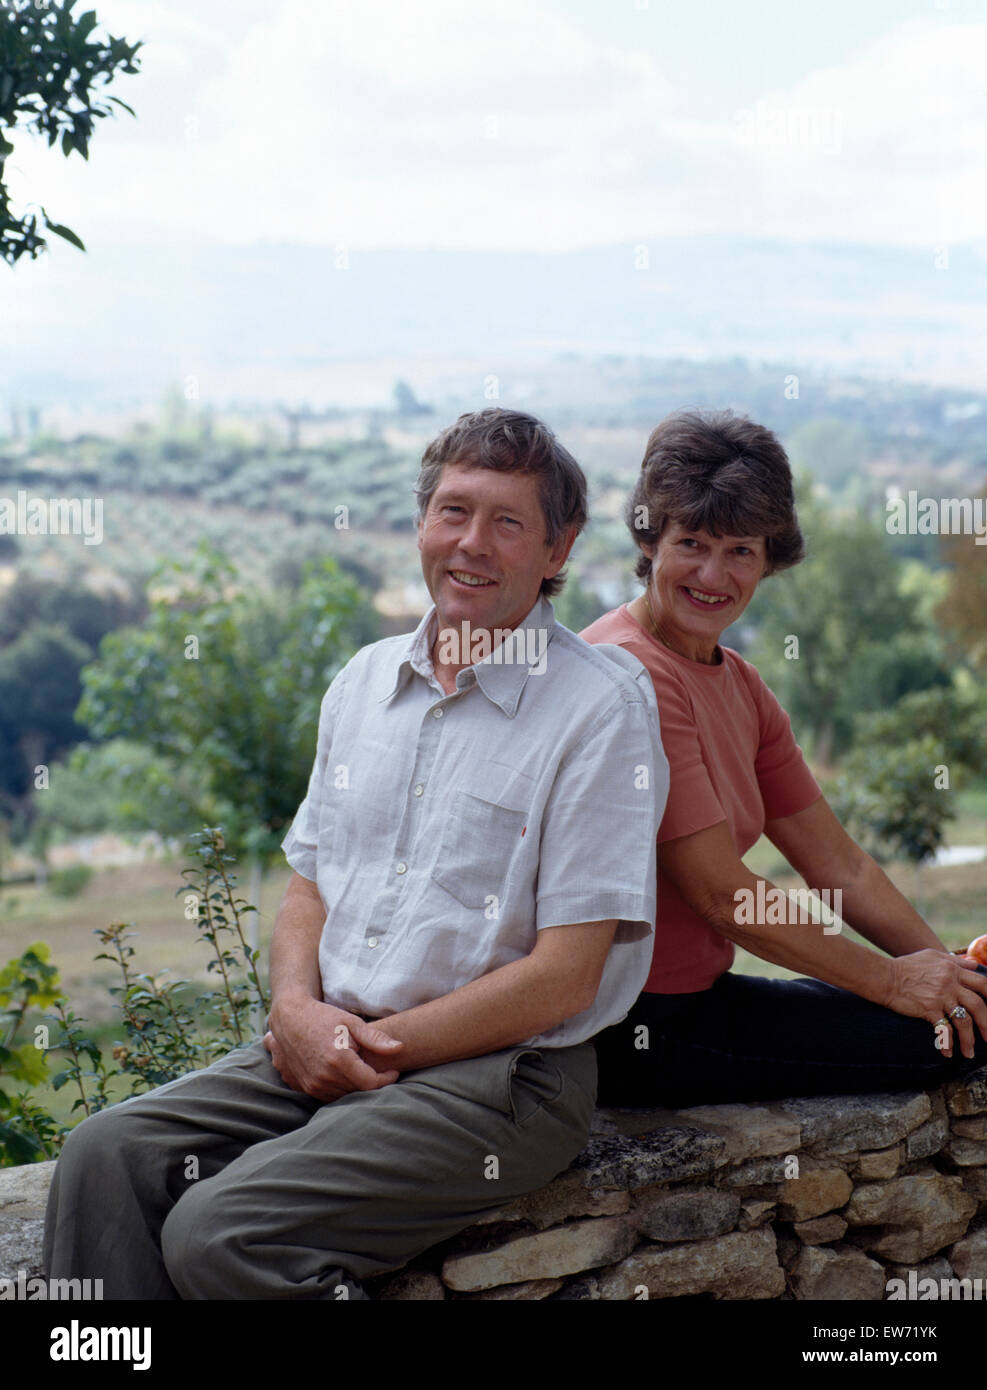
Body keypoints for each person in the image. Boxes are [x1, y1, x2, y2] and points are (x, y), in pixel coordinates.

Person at [44, 407, 667, 1299]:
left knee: (221, 1233)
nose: (471, 543)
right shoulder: (364, 683)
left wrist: (364, 1044)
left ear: (558, 549)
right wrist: (296, 1011)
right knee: (105, 1156)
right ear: (420, 523)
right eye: (453, 512)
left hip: (501, 1078)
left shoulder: (601, 708)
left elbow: (565, 978)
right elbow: (309, 888)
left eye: (507, 522)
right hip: (331, 1042)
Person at [580, 408, 987, 1109]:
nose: (714, 574)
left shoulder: (737, 682)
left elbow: (840, 866)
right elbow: (721, 894)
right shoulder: (626, 674)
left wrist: (945, 977)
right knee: (949, 1041)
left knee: (970, 1018)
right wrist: (895, 984)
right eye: (692, 543)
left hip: (698, 1002)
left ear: (770, 557)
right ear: (649, 540)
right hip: (631, 1025)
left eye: (740, 550)